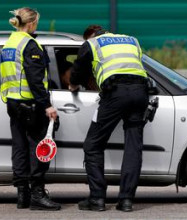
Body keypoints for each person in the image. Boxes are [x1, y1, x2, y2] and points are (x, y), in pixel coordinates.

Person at [69, 25, 149, 212]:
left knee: (93, 144)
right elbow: (135, 66)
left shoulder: (92, 43)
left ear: (90, 36)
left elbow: (79, 68)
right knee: (133, 147)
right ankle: (126, 201)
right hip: (140, 93)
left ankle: (97, 199)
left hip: (115, 94)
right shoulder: (132, 40)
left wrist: (73, 84)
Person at [0, 7, 61, 210]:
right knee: (39, 148)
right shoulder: (30, 44)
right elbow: (35, 80)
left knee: (19, 148)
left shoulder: (9, 43)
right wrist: (48, 106)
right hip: (31, 104)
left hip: (13, 103)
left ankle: (22, 195)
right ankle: (37, 194)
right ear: (32, 23)